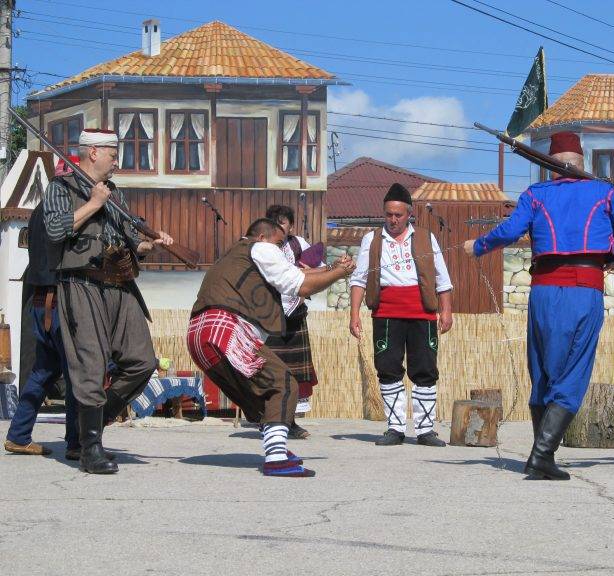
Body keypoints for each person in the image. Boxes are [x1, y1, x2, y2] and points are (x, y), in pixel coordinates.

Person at [464, 131, 614, 480]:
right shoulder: (604, 192)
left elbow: (508, 232)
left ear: (549, 166)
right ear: (582, 162)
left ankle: (543, 455)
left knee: (542, 371)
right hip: (583, 292)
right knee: (573, 371)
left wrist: (478, 246)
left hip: (541, 292)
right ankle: (541, 456)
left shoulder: (534, 194)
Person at [43, 129, 173, 474]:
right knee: (90, 365)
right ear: (94, 152)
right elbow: (55, 231)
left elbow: (131, 243)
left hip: (120, 284)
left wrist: (151, 244)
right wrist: (93, 204)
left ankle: (95, 424)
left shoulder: (116, 195)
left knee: (143, 361)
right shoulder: (61, 188)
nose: (117, 159)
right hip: (81, 282)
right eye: (113, 153)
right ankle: (89, 448)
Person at [187, 218, 355, 477]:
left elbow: (295, 273)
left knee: (260, 398)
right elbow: (301, 285)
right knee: (284, 384)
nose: (281, 250)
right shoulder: (262, 248)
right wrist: (340, 273)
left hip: (199, 337)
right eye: (279, 243)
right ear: (264, 237)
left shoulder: (234, 255)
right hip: (226, 332)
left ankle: (275, 446)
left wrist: (330, 268)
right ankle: (276, 458)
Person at [349, 183, 453, 447]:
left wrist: (446, 311)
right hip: (386, 314)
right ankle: (395, 428)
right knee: (388, 368)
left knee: (425, 370)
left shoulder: (426, 238)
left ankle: (425, 429)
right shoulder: (372, 240)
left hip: (422, 314)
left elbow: (442, 278)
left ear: (409, 215)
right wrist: (354, 315)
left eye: (398, 215)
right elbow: (359, 279)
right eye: (389, 214)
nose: (393, 220)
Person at [4, 204, 80, 459]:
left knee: (43, 372)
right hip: (59, 301)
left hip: (40, 301)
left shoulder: (39, 211)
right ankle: (75, 443)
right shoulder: (66, 210)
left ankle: (18, 435)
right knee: (76, 373)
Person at [264, 204, 320, 439]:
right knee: (269, 371)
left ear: (291, 226)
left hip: (295, 315)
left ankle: (291, 421)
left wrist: (312, 272)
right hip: (269, 316)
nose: (280, 226)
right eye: (275, 222)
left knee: (295, 373)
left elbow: (322, 270)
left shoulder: (299, 245)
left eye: (284, 222)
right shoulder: (261, 248)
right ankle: (269, 420)